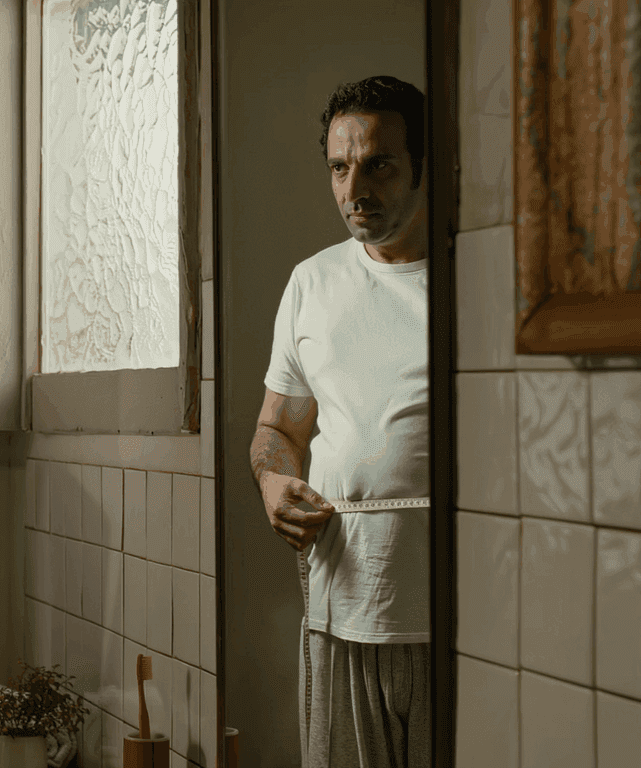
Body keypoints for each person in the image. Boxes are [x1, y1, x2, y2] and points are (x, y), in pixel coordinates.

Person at [248, 75, 430, 768]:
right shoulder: (312, 284)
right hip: (340, 609)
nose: (356, 187)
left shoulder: (472, 277)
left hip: (451, 622)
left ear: (422, 164)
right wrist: (273, 483)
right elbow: (279, 431)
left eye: (379, 164)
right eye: (339, 166)